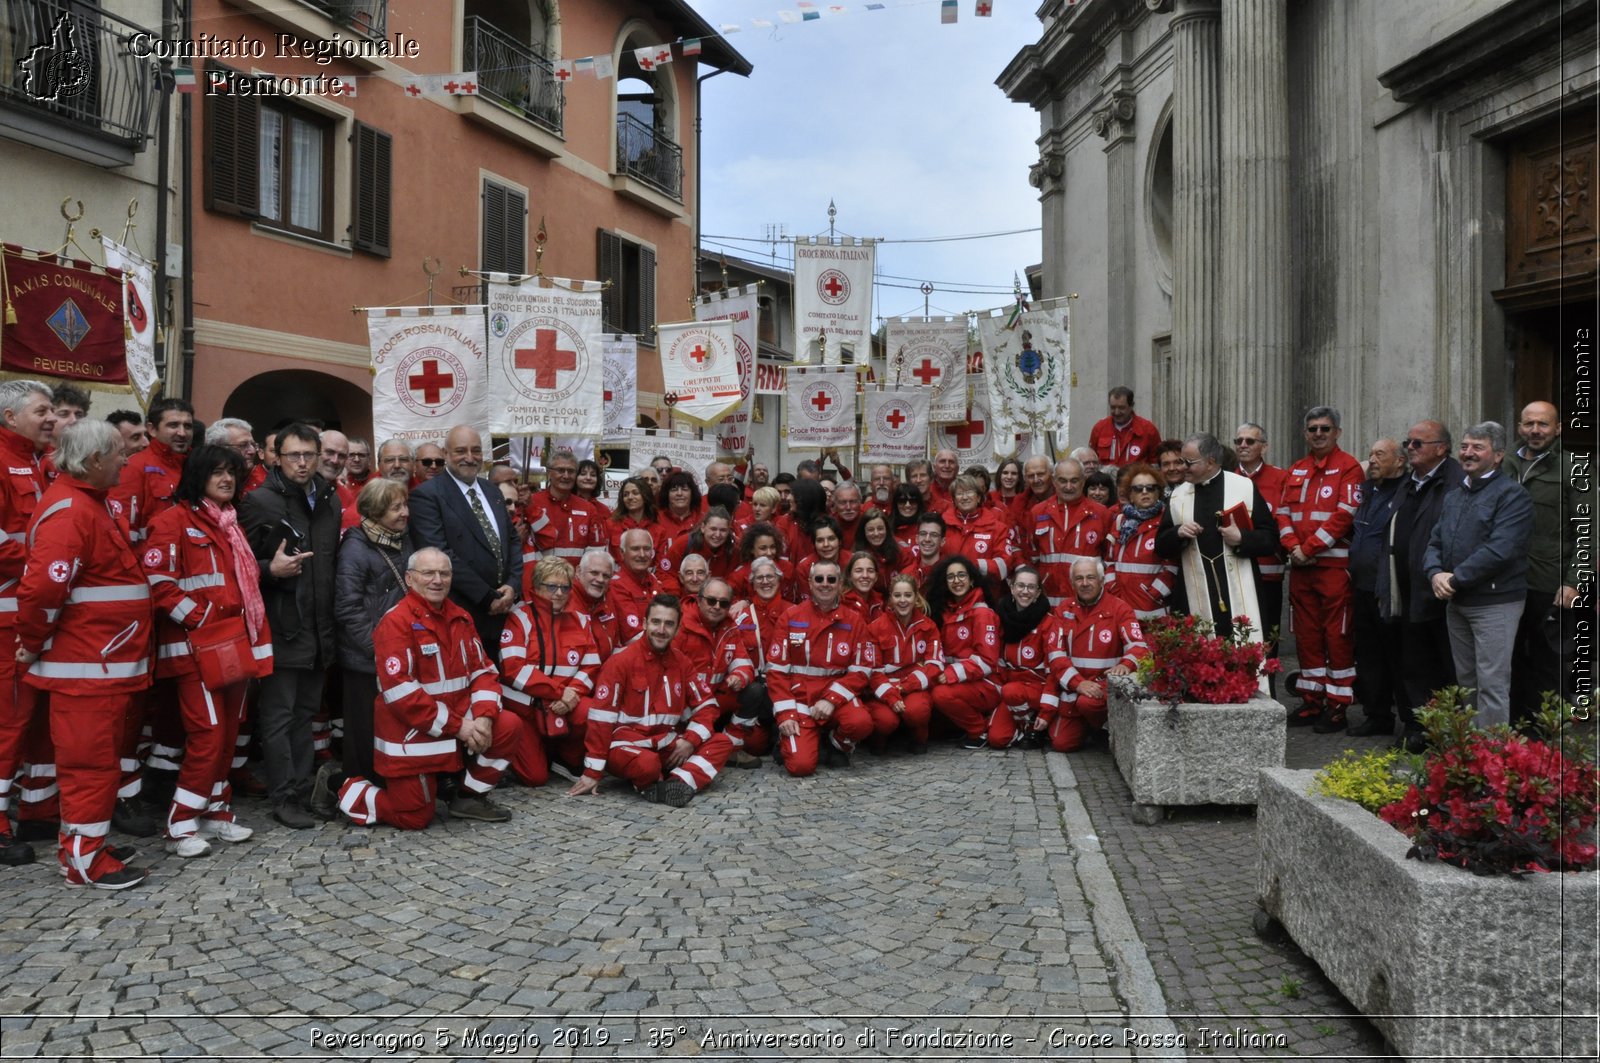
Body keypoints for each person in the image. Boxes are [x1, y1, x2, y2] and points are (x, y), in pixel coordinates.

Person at [15, 420, 152, 889]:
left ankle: (89, 845)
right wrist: (31, 643)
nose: (126, 460)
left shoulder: (87, 504)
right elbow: (42, 589)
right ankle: (82, 860)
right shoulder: (73, 512)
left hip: (102, 665)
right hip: (87, 669)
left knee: (99, 763)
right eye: (118, 452)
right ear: (93, 460)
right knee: (89, 765)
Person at [142, 444, 272, 856]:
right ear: (198, 476)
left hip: (230, 644)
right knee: (209, 733)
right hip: (193, 647)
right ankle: (180, 821)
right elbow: (158, 582)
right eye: (217, 472)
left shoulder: (229, 523)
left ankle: (216, 811)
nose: (227, 479)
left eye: (232, 472)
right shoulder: (172, 522)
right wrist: (202, 618)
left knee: (229, 733)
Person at [331, 548, 518, 828]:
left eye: (444, 573)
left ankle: (467, 796)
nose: (437, 580)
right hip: (412, 732)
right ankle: (338, 785)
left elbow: (484, 671)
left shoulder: (461, 617)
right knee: (414, 817)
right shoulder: (395, 622)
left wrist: (485, 717)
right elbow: (401, 693)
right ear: (409, 578)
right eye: (428, 573)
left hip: (451, 726)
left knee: (508, 725)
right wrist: (461, 727)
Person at [239, 423, 342, 829]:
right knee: (279, 718)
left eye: (309, 455)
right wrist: (271, 569)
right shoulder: (259, 501)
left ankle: (301, 791)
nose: (302, 463)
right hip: (282, 626)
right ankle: (283, 797)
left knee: (305, 715)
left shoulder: (329, 500)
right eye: (293, 455)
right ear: (275, 458)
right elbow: (240, 567)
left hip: (319, 628)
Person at [568, 595, 734, 806]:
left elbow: (708, 706)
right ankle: (661, 780)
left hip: (666, 744)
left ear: (677, 628)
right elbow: (601, 720)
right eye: (656, 622)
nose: (661, 629)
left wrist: (690, 740)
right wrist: (593, 771)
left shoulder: (682, 663)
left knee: (722, 743)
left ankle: (674, 784)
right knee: (648, 764)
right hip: (626, 746)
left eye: (669, 624)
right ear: (645, 623)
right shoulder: (621, 662)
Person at [1424, 422, 1534, 729]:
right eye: (1464, 446)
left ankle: (1494, 760)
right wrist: (1434, 573)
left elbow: (1501, 550)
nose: (1467, 453)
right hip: (1457, 602)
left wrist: (1453, 579)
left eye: (1477, 447)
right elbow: (1435, 542)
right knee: (1467, 683)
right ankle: (1470, 754)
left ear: (1498, 456)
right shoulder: (1455, 495)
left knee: (1492, 685)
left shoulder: (1513, 496)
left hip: (1495, 604)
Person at [1276, 407, 1365, 728]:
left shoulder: (1349, 468)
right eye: (1312, 429)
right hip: (1301, 569)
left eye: (1325, 429)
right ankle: (1312, 701)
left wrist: (1308, 548)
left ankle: (1338, 706)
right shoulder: (1297, 469)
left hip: (1333, 570)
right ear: (1305, 433)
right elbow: (1282, 513)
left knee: (1337, 637)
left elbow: (1344, 517)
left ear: (1337, 432)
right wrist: (1293, 549)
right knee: (1307, 636)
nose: (1318, 434)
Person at [0, 381, 58, 864]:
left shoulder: (42, 463)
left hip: (36, 611)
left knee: (39, 719)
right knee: (9, 721)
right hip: (7, 616)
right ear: (10, 415)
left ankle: (38, 809)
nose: (51, 420)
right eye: (41, 412)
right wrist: (46, 561)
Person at [1378, 420, 1461, 752]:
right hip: (1405, 589)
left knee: (1445, 665)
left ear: (1441, 448)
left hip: (1440, 590)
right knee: (1412, 663)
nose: (1409, 448)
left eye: (1417, 444)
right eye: (1407, 442)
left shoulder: (1455, 481)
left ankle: (1447, 732)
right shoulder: (1408, 482)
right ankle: (1417, 727)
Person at [1154, 433, 1279, 643]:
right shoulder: (1178, 495)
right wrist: (1178, 533)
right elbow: (1161, 547)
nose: (1183, 467)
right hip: (1193, 593)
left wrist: (1242, 538)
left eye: (1188, 462)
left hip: (1238, 591)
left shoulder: (1243, 487)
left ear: (1210, 462)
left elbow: (1271, 540)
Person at [408, 425, 521, 653]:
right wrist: (488, 597)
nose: (470, 458)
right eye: (461, 451)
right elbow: (439, 554)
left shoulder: (492, 491)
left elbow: (513, 541)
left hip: (505, 612)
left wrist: (513, 586)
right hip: (462, 614)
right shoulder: (427, 495)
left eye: (476, 451)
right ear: (445, 453)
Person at [332, 477, 413, 790]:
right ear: (376, 511)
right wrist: (380, 650)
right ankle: (361, 789)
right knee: (364, 729)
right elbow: (348, 609)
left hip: (396, 652)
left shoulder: (400, 539)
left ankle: (392, 784)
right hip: (366, 659)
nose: (405, 512)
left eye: (404, 505)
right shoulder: (355, 548)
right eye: (396, 507)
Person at [1505, 401, 1583, 712]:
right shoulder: (1503, 464)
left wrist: (1574, 581)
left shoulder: (1575, 469)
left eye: (1543, 424)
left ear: (1558, 429)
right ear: (1519, 427)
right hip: (1506, 580)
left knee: (1546, 660)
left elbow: (1588, 533)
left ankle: (1546, 734)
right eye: (1529, 424)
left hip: (1549, 581)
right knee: (1509, 657)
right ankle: (1512, 727)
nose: (1535, 431)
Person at [498, 557, 601, 785]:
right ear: (536, 587)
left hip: (562, 705)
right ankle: (534, 750)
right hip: (525, 711)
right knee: (535, 777)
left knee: (590, 712)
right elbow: (512, 668)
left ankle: (565, 756)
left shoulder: (580, 620)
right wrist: (557, 692)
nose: (558, 593)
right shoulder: (520, 618)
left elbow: (591, 664)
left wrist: (571, 695)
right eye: (551, 586)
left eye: (564, 587)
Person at [766, 558, 875, 774]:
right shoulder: (791, 617)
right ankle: (787, 739)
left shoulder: (854, 621)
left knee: (861, 723)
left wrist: (831, 699)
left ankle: (836, 745)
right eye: (819, 579)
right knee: (800, 767)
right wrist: (785, 714)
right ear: (810, 582)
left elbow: (862, 670)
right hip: (800, 700)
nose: (825, 583)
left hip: (835, 697)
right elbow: (776, 671)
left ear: (840, 583)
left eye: (831, 579)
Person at [1040, 559, 1148, 752]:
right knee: (1060, 743)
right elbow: (1055, 655)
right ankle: (1089, 727)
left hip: (1102, 686)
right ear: (1072, 583)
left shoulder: (1119, 608)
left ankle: (1102, 727)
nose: (1085, 583)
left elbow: (1139, 647)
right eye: (1079, 578)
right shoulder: (1063, 610)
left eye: (1090, 577)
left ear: (1101, 580)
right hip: (1075, 688)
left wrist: (1127, 664)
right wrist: (1078, 683)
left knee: (1088, 704)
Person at [1346, 439, 1407, 736]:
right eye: (1370, 454)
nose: (1371, 460)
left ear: (1400, 461)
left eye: (1380, 454)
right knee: (1368, 654)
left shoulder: (1407, 491)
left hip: (1389, 586)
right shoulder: (1368, 490)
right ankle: (1376, 715)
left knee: (1395, 655)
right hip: (1361, 585)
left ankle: (1410, 720)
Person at [924, 555, 1002, 749]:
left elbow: (987, 660)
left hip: (987, 682)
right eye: (951, 577)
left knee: (941, 695)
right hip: (963, 682)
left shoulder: (982, 613)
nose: (956, 580)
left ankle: (979, 731)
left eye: (961, 575)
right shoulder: (948, 610)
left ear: (972, 579)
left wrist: (951, 673)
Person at [673, 576, 755, 757]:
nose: (717, 607)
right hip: (685, 703)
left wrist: (739, 677)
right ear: (699, 599)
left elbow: (744, 663)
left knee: (755, 692)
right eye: (711, 601)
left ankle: (733, 746)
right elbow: (670, 677)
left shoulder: (730, 628)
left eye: (723, 603)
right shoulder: (680, 626)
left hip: (717, 696)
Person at [863, 573, 943, 754]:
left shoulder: (928, 626)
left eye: (908, 595)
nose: (902, 600)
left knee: (917, 712)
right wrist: (891, 695)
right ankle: (879, 739)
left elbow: (935, 665)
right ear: (890, 599)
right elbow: (872, 670)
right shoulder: (875, 627)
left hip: (913, 686)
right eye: (897, 595)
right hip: (883, 689)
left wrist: (905, 686)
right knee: (885, 721)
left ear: (916, 597)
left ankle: (919, 738)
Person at [1232, 421, 1287, 676]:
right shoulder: (1227, 477)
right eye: (1238, 441)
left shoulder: (1281, 478)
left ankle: (1268, 684)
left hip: (1269, 571)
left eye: (1249, 441)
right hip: (1236, 568)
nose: (1243, 445)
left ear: (1264, 446)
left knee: (1267, 632)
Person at [990, 565, 1064, 750]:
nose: (1025, 591)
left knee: (1011, 691)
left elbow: (1053, 673)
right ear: (1012, 588)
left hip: (1037, 689)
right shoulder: (1000, 616)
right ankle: (1024, 725)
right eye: (1020, 586)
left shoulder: (1049, 622)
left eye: (1031, 587)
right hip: (1010, 692)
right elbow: (996, 660)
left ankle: (1036, 725)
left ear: (1038, 592)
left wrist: (1047, 712)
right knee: (997, 739)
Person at [1026, 458, 1112, 608]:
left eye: (1074, 481)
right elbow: (1031, 556)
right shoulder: (1038, 512)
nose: (1068, 486)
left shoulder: (1101, 513)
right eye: (1062, 481)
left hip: (1088, 601)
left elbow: (1110, 558)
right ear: (1053, 480)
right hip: (1048, 601)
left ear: (1083, 481)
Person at [726, 556, 787, 765]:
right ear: (752, 584)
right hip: (756, 688)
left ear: (779, 581)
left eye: (770, 576)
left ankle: (783, 731)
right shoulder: (740, 614)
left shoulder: (794, 612)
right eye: (759, 578)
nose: (765, 581)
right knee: (755, 745)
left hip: (785, 688)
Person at [521, 448, 606, 598]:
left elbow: (596, 556)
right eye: (560, 470)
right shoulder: (531, 503)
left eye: (571, 471)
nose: (566, 476)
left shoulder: (588, 509)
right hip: (538, 588)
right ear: (549, 473)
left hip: (575, 589)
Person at [113, 397, 193, 544]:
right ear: (152, 429)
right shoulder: (134, 467)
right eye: (173, 425)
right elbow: (121, 526)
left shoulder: (196, 466)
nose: (182, 433)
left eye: (187, 426)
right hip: (150, 562)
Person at [1106, 463, 1177, 620]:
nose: (1145, 492)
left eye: (1150, 488)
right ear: (1130, 495)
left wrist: (1154, 593)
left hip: (1154, 609)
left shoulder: (1167, 520)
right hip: (1121, 605)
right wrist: (1112, 588)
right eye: (1138, 489)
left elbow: (1172, 565)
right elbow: (1109, 561)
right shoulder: (1119, 521)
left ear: (1158, 492)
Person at [945, 474, 1018, 585]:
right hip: (950, 594)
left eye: (969, 492)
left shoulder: (997, 528)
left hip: (986, 594)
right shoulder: (943, 525)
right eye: (959, 494)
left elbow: (1004, 566)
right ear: (954, 500)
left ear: (979, 497)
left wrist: (973, 566)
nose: (965, 497)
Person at [659, 507, 737, 591]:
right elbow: (664, 572)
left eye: (723, 530)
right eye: (713, 529)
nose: (718, 534)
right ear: (703, 527)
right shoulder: (684, 544)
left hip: (713, 600)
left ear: (729, 531)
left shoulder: (732, 551)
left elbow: (732, 581)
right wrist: (676, 596)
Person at [609, 527, 663, 643]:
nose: (642, 554)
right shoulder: (617, 585)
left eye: (647, 549)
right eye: (635, 549)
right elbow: (633, 636)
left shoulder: (652, 581)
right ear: (622, 553)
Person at [1088, 386, 1162, 467]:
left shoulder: (1148, 430)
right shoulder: (1099, 429)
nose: (1116, 412)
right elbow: (1091, 461)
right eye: (1113, 407)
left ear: (1131, 406)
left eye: (1121, 408)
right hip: (1106, 479)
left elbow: (1156, 463)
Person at [570, 548, 620, 660]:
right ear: (578, 571)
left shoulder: (609, 599)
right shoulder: (564, 601)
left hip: (605, 672)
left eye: (606, 576)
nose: (600, 579)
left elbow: (616, 642)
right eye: (594, 573)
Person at [206, 418, 265, 494]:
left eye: (253, 445)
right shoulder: (204, 483)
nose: (252, 451)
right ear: (220, 448)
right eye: (243, 445)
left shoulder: (264, 484)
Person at [608, 476, 658, 566]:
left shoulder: (658, 530)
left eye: (635, 493)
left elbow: (660, 567)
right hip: (617, 578)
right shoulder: (610, 525)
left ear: (645, 496)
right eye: (626, 494)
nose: (630, 497)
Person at [853, 509, 900, 594]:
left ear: (887, 529)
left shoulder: (900, 549)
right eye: (870, 530)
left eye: (880, 528)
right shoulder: (856, 555)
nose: (876, 533)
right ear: (863, 532)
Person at [796, 516, 850, 589]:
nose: (826, 544)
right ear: (814, 544)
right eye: (820, 540)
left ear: (839, 541)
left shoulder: (852, 561)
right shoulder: (804, 568)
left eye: (831, 539)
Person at [652, 471, 702, 550]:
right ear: (666, 494)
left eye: (684, 489)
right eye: (674, 490)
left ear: (692, 494)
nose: (679, 493)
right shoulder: (655, 518)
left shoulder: (702, 520)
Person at [843, 553, 884, 622]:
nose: (865, 575)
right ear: (849, 576)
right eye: (859, 571)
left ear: (876, 577)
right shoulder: (842, 602)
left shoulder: (879, 602)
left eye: (870, 571)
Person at [890, 484, 925, 555]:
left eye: (913, 501)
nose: (907, 505)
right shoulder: (887, 529)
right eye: (902, 501)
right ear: (896, 504)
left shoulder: (927, 527)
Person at [829, 481, 867, 546]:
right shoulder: (828, 524)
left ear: (860, 502)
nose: (848, 507)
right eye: (843, 502)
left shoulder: (868, 521)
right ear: (835, 503)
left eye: (853, 502)